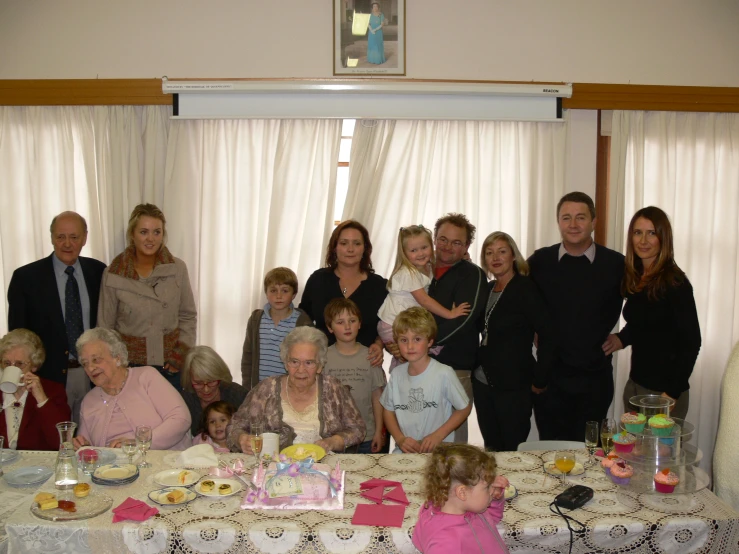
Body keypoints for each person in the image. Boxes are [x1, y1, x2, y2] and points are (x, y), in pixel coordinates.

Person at [528, 192, 624, 441]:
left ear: (594, 220)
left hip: (595, 379)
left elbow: (649, 305)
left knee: (590, 455)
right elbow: (514, 296)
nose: (573, 225)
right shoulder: (540, 261)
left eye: (580, 217)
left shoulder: (616, 264)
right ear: (558, 222)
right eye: (566, 218)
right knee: (550, 453)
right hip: (550, 379)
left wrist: (624, 337)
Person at [7, 211, 106, 424]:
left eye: (74, 237)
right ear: (51, 237)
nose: (67, 244)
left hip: (92, 373)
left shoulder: (98, 272)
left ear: (85, 238)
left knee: (91, 436)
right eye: (61, 237)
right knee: (54, 439)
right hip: (48, 378)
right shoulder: (26, 278)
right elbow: (18, 336)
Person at [602, 207, 701, 420]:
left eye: (652, 233)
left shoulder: (675, 283)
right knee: (631, 453)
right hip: (636, 386)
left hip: (663, 393)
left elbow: (692, 342)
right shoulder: (638, 277)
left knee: (659, 454)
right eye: (638, 232)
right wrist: (621, 338)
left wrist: (671, 393)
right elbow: (644, 322)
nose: (643, 240)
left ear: (663, 238)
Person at [98, 203, 197, 390]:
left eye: (157, 232)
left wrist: (180, 354)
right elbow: (105, 328)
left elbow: (187, 316)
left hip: (171, 367)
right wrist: (116, 365)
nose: (150, 239)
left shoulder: (177, 269)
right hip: (129, 370)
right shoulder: (113, 274)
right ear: (132, 235)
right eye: (144, 232)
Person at [474, 232, 555, 452]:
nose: (495, 257)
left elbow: (548, 333)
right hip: (483, 384)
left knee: (512, 451)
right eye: (489, 253)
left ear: (513, 256)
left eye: (502, 251)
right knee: (491, 450)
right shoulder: (489, 289)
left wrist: (540, 377)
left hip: (514, 386)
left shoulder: (525, 288)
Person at [227, 326, 366, 454]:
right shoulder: (266, 388)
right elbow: (234, 426)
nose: (301, 370)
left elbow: (358, 430)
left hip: (323, 468)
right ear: (286, 363)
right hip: (274, 468)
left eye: (309, 363)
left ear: (320, 365)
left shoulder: (334, 388)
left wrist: (332, 442)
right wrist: (242, 439)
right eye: (294, 362)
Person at [73, 327, 192, 450]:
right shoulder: (88, 401)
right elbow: (85, 445)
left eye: (96, 360)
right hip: (112, 467)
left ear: (117, 358)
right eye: (85, 363)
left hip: (161, 462)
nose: (90, 368)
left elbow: (181, 419)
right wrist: (81, 445)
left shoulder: (146, 377)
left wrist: (140, 443)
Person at [426, 213, 487, 443]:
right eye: (443, 239)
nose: (448, 247)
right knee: (418, 435)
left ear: (467, 247)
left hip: (455, 370)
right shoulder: (420, 269)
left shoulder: (472, 275)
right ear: (434, 238)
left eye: (456, 242)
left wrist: (422, 344)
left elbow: (463, 321)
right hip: (417, 367)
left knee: (451, 445)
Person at [377, 226, 470, 370]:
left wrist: (462, 256)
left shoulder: (426, 265)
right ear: (404, 253)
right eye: (413, 250)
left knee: (410, 360)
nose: (420, 253)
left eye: (424, 247)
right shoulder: (408, 273)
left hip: (400, 322)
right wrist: (450, 314)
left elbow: (438, 256)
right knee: (414, 359)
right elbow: (425, 301)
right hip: (391, 324)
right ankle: (399, 382)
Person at [381, 307, 471, 454]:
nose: (410, 346)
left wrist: (438, 435)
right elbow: (388, 410)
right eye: (404, 340)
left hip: (439, 451)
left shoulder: (444, 373)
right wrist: (399, 439)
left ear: (430, 341)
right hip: (406, 451)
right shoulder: (397, 375)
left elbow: (464, 408)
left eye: (417, 339)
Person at [299, 220, 387, 368]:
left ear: (365, 248)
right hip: (321, 366)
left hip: (365, 366)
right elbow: (303, 320)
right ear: (334, 247)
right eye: (344, 243)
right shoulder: (318, 280)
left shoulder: (379, 286)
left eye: (357, 243)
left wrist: (379, 344)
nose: (350, 249)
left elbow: (387, 326)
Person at [412, 443, 510, 554]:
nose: (491, 489)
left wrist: (495, 498)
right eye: (487, 487)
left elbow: (492, 518)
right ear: (462, 492)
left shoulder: (470, 507)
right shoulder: (446, 543)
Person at [323, 298, 386, 454]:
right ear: (330, 328)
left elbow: (378, 397)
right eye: (340, 322)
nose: (347, 326)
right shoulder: (323, 358)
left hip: (367, 436)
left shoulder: (371, 356)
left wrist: (379, 431)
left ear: (359, 324)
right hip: (334, 437)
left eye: (352, 320)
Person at [240, 267, 312, 391]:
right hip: (260, 388)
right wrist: (247, 387)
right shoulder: (256, 319)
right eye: (273, 290)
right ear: (266, 293)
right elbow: (247, 356)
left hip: (289, 390)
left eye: (285, 291)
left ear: (294, 294)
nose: (278, 296)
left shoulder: (302, 322)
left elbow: (309, 360)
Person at [0, 329, 71, 450]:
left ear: (34, 365)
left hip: (37, 466)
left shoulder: (52, 390)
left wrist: (42, 399)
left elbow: (61, 442)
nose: (12, 368)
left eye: (19, 364)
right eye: (7, 363)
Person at [181, 345, 248, 437]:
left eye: (211, 381)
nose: (206, 389)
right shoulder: (184, 401)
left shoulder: (238, 395)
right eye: (198, 383)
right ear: (189, 379)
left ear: (220, 377)